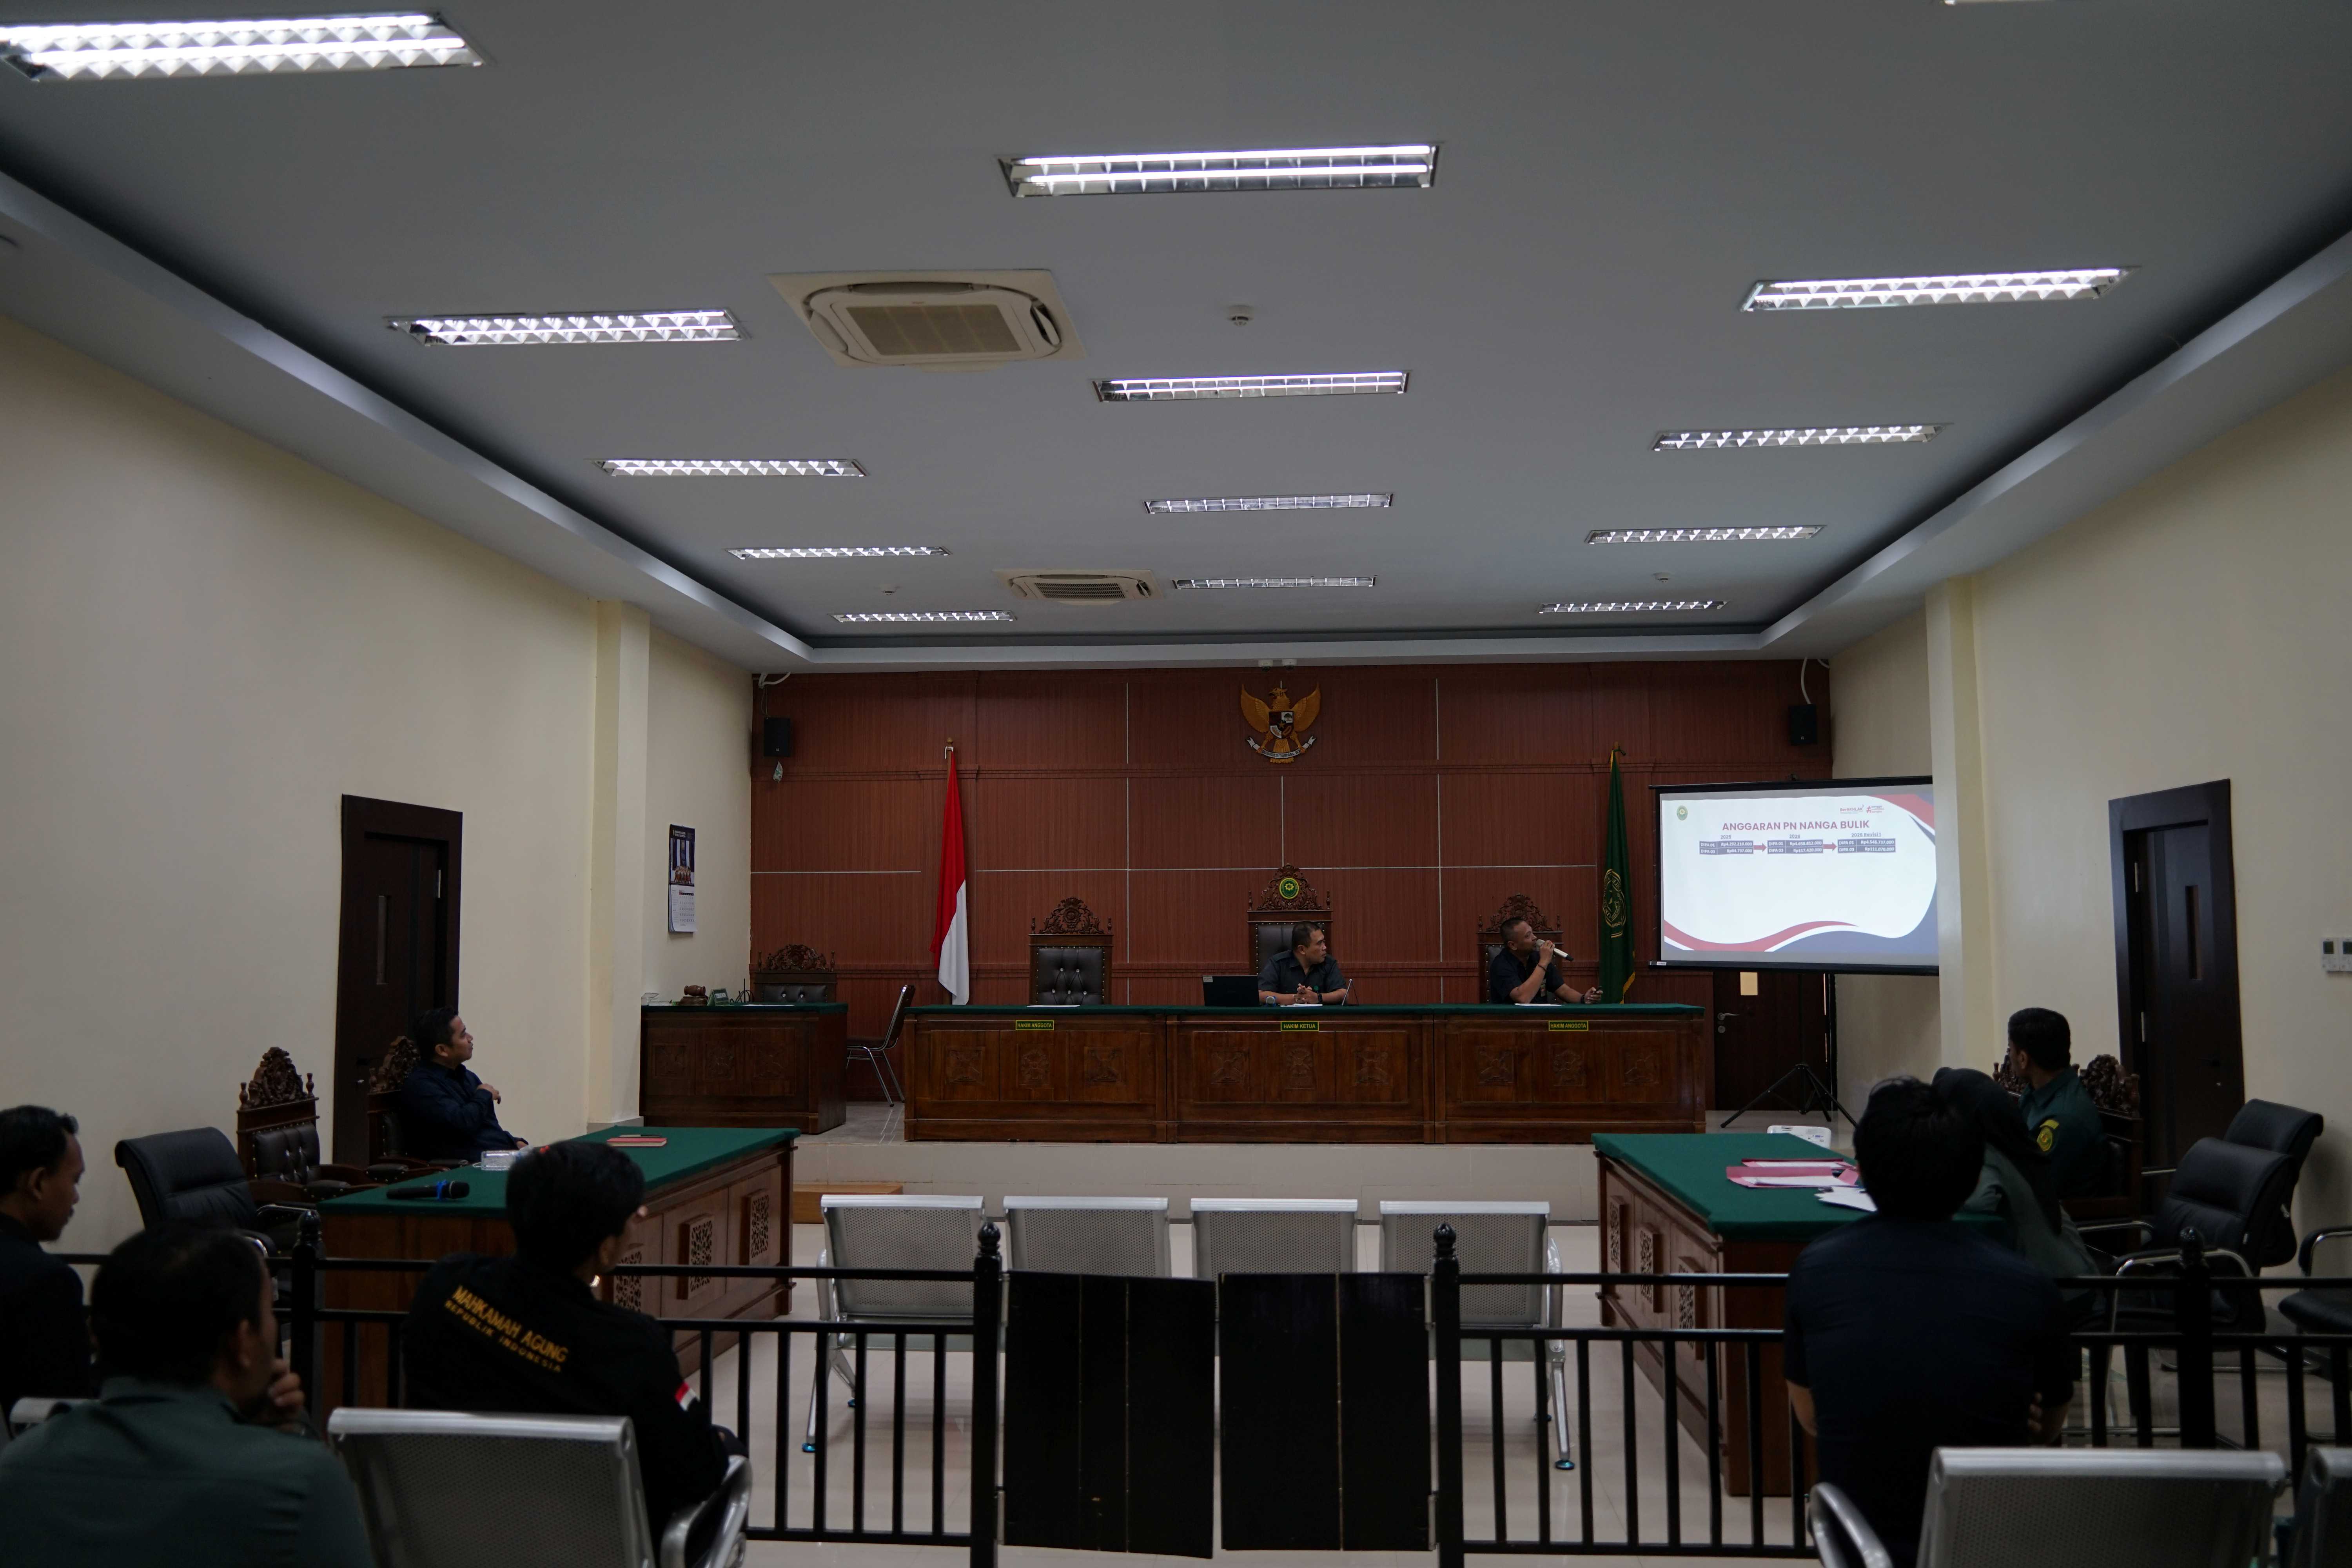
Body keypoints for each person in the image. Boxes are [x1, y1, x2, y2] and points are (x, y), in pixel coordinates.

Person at [1784, 1076, 2076, 1568]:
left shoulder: (1815, 1271)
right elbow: (2049, 1424)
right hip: (1989, 1548)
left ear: (1862, 1170)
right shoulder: (2031, 1287)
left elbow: (1810, 1414)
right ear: (1971, 1176)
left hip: (1859, 1548)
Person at [403, 1140, 728, 1536]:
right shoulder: (631, 1346)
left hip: (450, 1539)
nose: (642, 1214)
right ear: (605, 1248)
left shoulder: (444, 1287)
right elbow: (700, 1472)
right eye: (633, 1211)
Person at [0, 1222, 370, 1567]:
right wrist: (289, 1436)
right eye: (269, 1314)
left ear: (98, 1336)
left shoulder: (16, 1468)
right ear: (242, 1343)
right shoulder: (300, 1483)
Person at [1934, 1067, 2102, 1318]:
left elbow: (1977, 1202)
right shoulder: (2015, 1144)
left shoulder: (1988, 1154)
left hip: (2058, 1291)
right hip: (2075, 1278)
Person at [0, 1105, 95, 1414]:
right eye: (74, 1181)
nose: (76, 1197)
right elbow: (67, 1412)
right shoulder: (46, 1282)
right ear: (38, 1183)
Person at [396, 1005, 527, 1161]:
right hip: (462, 1167)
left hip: (496, 1160)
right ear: (442, 1050)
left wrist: (514, 1142)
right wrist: (483, 1095)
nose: (471, 1038)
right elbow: (462, 1125)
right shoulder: (422, 1086)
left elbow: (487, 1128)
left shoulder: (468, 1077)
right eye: (463, 1035)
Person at [2005, 1007, 2105, 1198]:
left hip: (2057, 1213)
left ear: (2023, 1059)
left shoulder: (2063, 1119)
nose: (2009, 1056)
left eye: (2011, 1049)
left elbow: (2034, 1187)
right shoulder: (2037, 1091)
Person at [1487, 917, 1602, 1004]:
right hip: (1513, 1022)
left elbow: (1562, 990)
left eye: (1532, 933)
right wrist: (1543, 963)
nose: (1534, 938)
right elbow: (1523, 998)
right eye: (1528, 936)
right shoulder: (1501, 965)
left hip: (1542, 1019)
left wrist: (1583, 998)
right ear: (1513, 945)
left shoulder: (1537, 957)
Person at [1257, 923, 1351, 1005]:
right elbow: (1260, 994)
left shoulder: (1329, 963)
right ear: (1302, 949)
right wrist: (1296, 998)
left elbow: (1344, 994)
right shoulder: (1278, 963)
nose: (1325, 947)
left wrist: (1318, 998)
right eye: (1319, 943)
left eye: (1324, 942)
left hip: (1322, 1018)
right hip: (1284, 1018)